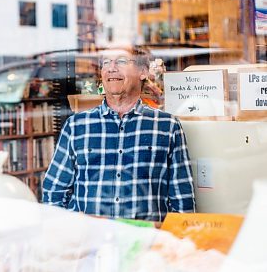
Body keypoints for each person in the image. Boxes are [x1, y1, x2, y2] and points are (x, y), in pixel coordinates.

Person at [42, 47, 195, 221]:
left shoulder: (167, 126)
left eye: (121, 61)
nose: (111, 68)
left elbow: (182, 202)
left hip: (145, 242)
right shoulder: (76, 126)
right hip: (91, 242)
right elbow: (54, 191)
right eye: (106, 62)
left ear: (143, 72)